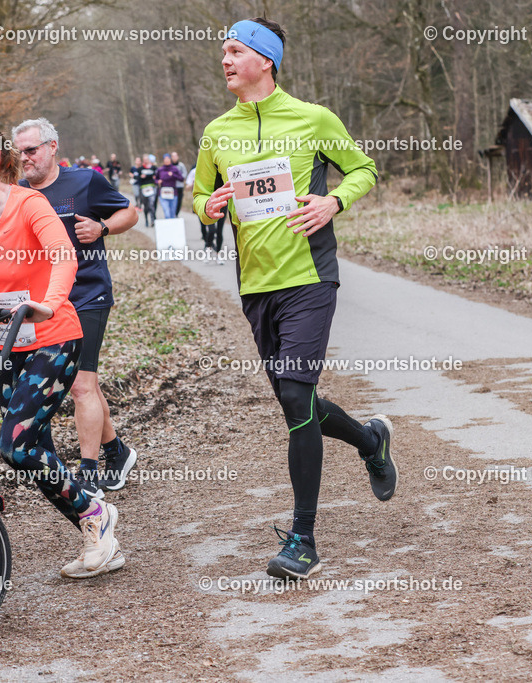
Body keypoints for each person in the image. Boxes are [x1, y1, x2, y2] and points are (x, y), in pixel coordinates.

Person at [193, 19, 395, 580]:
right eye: (224, 52)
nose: (226, 61)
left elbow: (363, 168)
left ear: (266, 59)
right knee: (294, 403)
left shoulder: (313, 118)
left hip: (310, 276)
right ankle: (369, 438)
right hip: (256, 284)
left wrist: (333, 203)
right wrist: (210, 207)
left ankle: (303, 538)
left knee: (294, 391)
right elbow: (202, 193)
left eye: (235, 51)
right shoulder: (217, 131)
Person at [0, 122, 123, 579]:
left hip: (55, 335)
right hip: (6, 344)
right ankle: (95, 527)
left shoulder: (29, 203)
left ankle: (95, 517)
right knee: (33, 450)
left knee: (15, 443)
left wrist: (50, 303)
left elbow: (65, 256)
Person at [12, 117, 139, 501]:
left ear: (53, 147)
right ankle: (118, 452)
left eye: (31, 150)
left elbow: (129, 212)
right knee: (83, 383)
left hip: (87, 294)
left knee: (82, 383)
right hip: (47, 302)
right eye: (19, 152)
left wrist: (103, 229)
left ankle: (88, 472)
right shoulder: (17, 193)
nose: (25, 159)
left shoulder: (86, 181)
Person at [156, 153, 184, 219]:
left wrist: (173, 175)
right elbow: (155, 179)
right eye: (165, 159)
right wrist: (158, 181)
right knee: (167, 212)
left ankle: (172, 228)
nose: (166, 160)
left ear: (170, 159)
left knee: (172, 213)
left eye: (168, 159)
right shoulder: (160, 169)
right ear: (163, 160)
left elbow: (181, 179)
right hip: (163, 193)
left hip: (173, 193)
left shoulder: (174, 169)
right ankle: (168, 226)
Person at [138, 155, 158, 228]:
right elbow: (137, 179)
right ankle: (146, 219)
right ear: (143, 160)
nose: (146, 161)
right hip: (143, 188)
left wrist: (155, 178)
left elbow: (157, 176)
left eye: (147, 159)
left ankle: (153, 220)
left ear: (149, 160)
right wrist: (140, 177)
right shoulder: (140, 169)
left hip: (152, 188)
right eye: (144, 159)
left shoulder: (154, 168)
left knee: (152, 204)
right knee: (146, 206)